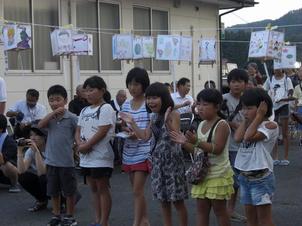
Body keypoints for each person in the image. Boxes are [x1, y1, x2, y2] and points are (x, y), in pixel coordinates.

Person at [120, 82, 188, 226]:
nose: (151, 101)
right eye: (149, 98)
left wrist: (167, 120)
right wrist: (132, 122)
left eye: (155, 98)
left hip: (173, 162)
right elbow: (144, 136)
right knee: (163, 201)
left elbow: (175, 136)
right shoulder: (152, 117)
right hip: (157, 162)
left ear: (163, 98)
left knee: (177, 201)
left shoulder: (174, 114)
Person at [170, 88, 234, 226]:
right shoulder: (202, 124)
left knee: (220, 211)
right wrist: (184, 143)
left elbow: (217, 149)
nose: (200, 108)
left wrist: (196, 141)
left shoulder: (222, 124)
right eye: (198, 104)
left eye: (205, 105)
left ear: (217, 106)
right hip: (202, 175)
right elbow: (197, 152)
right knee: (201, 210)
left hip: (218, 174)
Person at [234, 88, 278, 226]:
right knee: (250, 219)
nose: (245, 112)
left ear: (262, 108)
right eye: (243, 108)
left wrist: (259, 116)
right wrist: (247, 119)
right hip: (245, 177)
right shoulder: (249, 124)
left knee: (264, 220)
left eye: (249, 108)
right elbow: (237, 138)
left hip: (261, 178)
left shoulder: (270, 125)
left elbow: (247, 137)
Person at [75, 76, 116, 226]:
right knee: (93, 189)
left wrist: (87, 145)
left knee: (102, 188)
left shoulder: (106, 108)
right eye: (86, 91)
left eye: (91, 90)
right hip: (86, 157)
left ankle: (104, 222)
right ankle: (97, 220)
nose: (88, 94)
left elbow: (103, 130)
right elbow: (78, 130)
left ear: (102, 91)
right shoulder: (85, 109)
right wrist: (79, 143)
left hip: (101, 156)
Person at [38, 85, 78, 226]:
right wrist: (52, 114)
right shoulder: (49, 119)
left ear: (65, 100)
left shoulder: (72, 118)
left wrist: (76, 145)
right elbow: (40, 126)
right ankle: (56, 215)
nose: (54, 103)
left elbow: (78, 133)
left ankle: (70, 216)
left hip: (66, 161)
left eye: (58, 100)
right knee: (53, 191)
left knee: (69, 191)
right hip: (51, 161)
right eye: (51, 100)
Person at [121, 67, 151, 226]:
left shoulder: (149, 103)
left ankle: (136, 223)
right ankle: (144, 220)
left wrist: (136, 132)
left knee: (137, 191)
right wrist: (125, 129)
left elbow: (148, 131)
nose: (132, 88)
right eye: (130, 84)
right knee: (137, 192)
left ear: (144, 85)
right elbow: (124, 125)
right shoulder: (126, 104)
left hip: (144, 151)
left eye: (136, 84)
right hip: (129, 151)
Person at [222, 68, 248, 222]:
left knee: (238, 181)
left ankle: (229, 210)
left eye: (239, 81)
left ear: (245, 84)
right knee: (233, 180)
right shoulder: (223, 99)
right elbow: (219, 119)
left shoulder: (249, 100)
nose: (236, 85)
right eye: (233, 81)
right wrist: (236, 126)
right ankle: (227, 210)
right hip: (228, 145)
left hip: (244, 145)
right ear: (229, 83)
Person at [263, 69, 294, 166]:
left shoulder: (287, 79)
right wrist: (269, 94)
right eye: (276, 67)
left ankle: (285, 157)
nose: (277, 69)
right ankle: (275, 157)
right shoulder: (269, 78)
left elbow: (290, 91)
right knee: (274, 132)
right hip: (273, 106)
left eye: (279, 67)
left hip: (284, 105)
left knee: (285, 132)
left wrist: (288, 96)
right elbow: (264, 90)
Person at [17, 125, 48, 212]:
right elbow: (21, 171)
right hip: (46, 180)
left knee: (43, 178)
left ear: (44, 137)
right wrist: (19, 151)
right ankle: (42, 200)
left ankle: (62, 202)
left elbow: (42, 172)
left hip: (60, 183)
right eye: (31, 135)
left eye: (36, 135)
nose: (32, 138)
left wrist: (37, 152)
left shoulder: (51, 148)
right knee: (23, 177)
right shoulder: (31, 150)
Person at [0, 114, 20, 193]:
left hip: (7, 174)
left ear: (1, 129)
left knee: (7, 165)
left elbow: (2, 161)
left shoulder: (10, 142)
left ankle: (14, 184)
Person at [292, 66, 302, 145]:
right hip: (300, 107)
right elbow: (295, 100)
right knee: (300, 125)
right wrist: (294, 111)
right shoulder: (297, 87)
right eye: (299, 71)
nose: (300, 73)